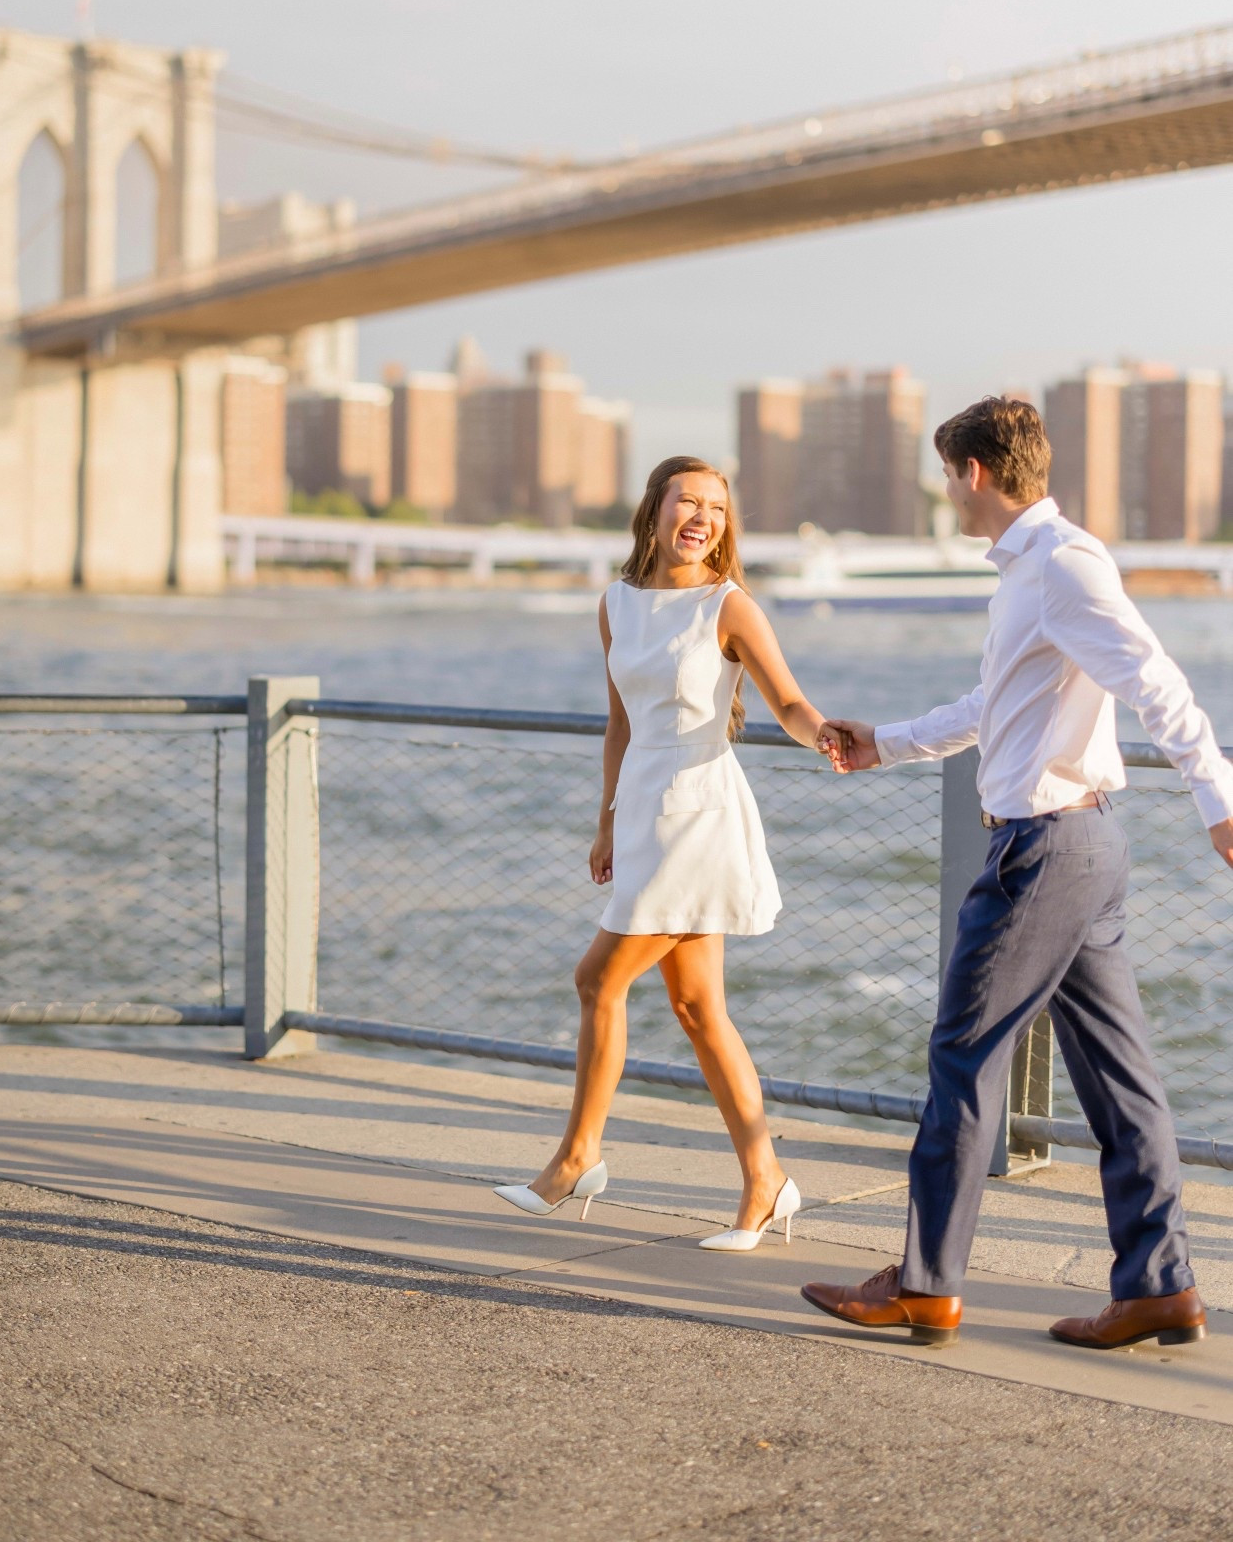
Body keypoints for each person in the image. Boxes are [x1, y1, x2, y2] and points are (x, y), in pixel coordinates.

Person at [804, 396, 1233, 1349]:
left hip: (1042, 849)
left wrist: (1219, 799)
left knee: (963, 1056)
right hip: (1078, 844)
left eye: (946, 476)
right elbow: (993, 704)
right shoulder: (1033, 574)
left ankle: (925, 1283)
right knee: (1119, 1076)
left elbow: (1154, 680)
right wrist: (889, 745)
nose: (947, 494)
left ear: (973, 473)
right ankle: (1160, 1285)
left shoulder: (1064, 564)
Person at [493, 455, 844, 1248]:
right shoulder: (616, 604)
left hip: (701, 817)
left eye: (717, 508)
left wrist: (822, 732)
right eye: (688, 501)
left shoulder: (729, 606)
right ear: (653, 511)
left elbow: (786, 700)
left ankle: (578, 1158)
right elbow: (621, 724)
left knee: (596, 979)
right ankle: (768, 1181)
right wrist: (607, 819)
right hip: (646, 814)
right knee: (696, 1009)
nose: (703, 518)